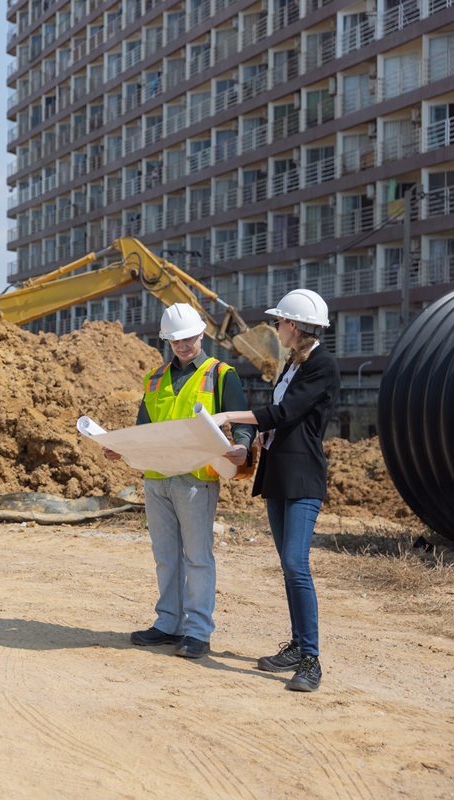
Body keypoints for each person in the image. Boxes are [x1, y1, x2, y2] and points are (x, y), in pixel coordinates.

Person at [104, 303, 255, 659]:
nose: (183, 345)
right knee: (166, 555)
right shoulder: (154, 378)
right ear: (167, 341)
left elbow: (244, 421)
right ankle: (168, 624)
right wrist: (121, 449)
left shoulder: (220, 374)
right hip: (157, 478)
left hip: (195, 479)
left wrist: (243, 446)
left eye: (188, 338)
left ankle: (198, 632)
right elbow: (145, 430)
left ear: (201, 334)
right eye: (175, 341)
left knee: (198, 556)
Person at [210, 289, 339, 692]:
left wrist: (231, 415)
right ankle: (298, 646)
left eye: (280, 322)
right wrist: (260, 435)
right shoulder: (292, 364)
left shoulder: (322, 366)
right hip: (280, 474)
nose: (276, 327)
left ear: (295, 326)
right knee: (288, 564)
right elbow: (285, 420)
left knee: (297, 565)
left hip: (302, 479)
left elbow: (285, 412)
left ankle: (311, 660)